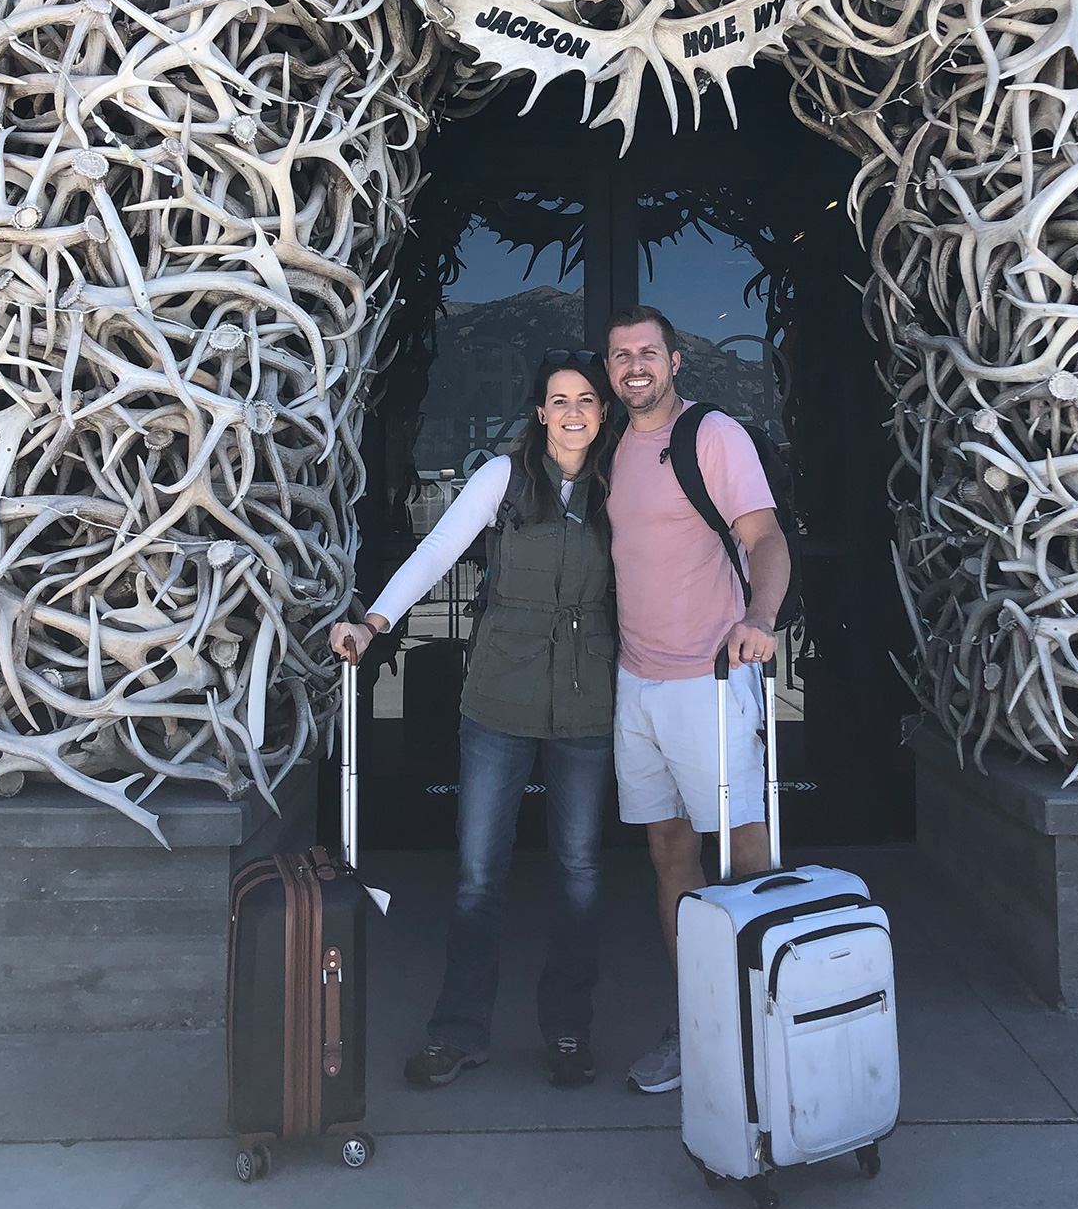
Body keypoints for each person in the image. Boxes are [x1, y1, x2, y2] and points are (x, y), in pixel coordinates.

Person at [328, 351, 623, 1090]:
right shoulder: (503, 477)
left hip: (585, 699)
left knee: (580, 871)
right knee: (478, 874)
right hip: (498, 696)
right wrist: (374, 621)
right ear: (540, 412)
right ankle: (458, 1032)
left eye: (586, 400)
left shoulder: (622, 483)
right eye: (560, 400)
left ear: (603, 411)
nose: (573, 413)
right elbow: (437, 551)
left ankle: (568, 1030)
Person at [597, 304, 792, 1096]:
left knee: (744, 856)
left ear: (675, 361)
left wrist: (760, 618)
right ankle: (700, 1023)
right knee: (670, 854)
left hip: (709, 681)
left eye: (648, 352)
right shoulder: (611, 446)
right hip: (636, 684)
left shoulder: (712, 435)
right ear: (609, 369)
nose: (634, 365)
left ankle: (765, 1024)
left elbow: (766, 537)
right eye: (621, 355)